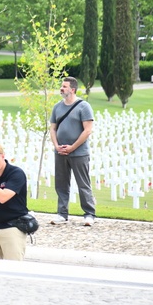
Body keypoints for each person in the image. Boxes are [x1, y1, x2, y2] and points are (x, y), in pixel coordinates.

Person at [49, 76, 96, 226]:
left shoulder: (84, 107)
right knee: (61, 184)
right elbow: (53, 128)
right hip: (60, 152)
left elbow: (87, 130)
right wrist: (56, 146)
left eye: (64, 86)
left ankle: (89, 214)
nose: (61, 89)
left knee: (83, 183)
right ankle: (62, 214)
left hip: (79, 153)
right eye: (61, 86)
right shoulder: (57, 107)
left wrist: (72, 147)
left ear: (72, 89)